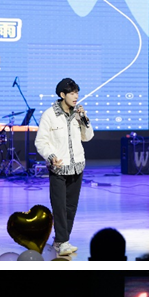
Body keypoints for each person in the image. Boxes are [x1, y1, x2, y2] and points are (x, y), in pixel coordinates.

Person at [34, 78, 94, 256]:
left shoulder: (78, 114)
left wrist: (84, 120)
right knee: (59, 206)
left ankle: (61, 241)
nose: (76, 97)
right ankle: (62, 241)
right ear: (62, 95)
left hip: (77, 166)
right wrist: (51, 157)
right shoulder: (49, 115)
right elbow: (41, 142)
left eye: (77, 93)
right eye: (72, 93)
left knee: (71, 207)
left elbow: (87, 137)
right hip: (59, 167)